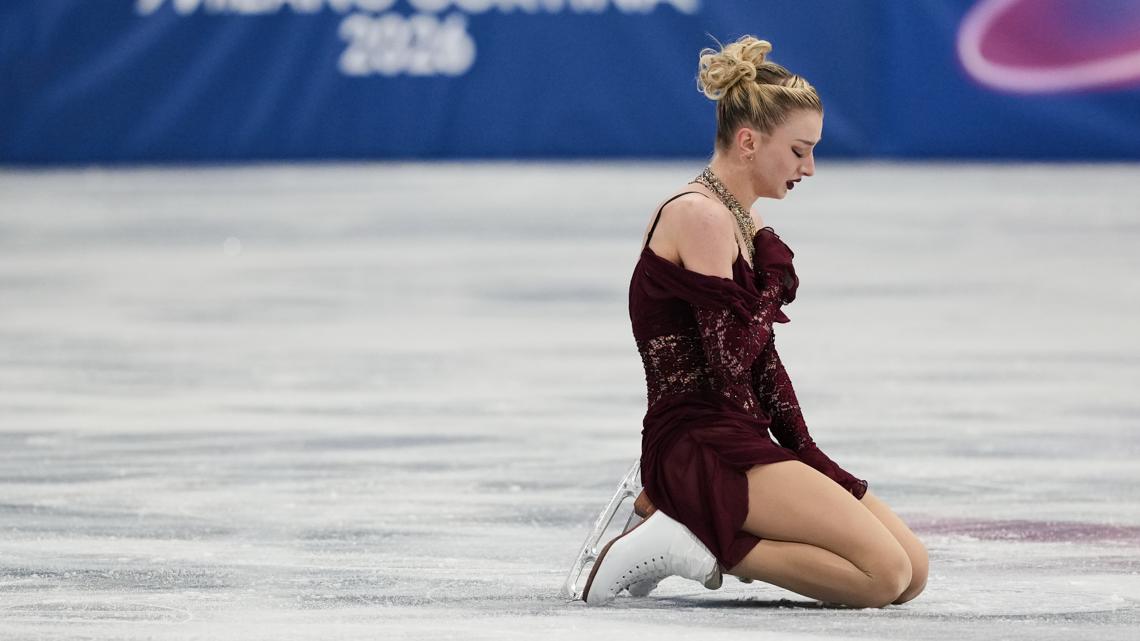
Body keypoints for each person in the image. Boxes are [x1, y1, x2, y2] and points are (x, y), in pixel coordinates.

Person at [582, 36, 928, 608]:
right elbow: (728, 363)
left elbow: (763, 359)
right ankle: (687, 541)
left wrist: (806, 450)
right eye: (798, 151)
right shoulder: (699, 216)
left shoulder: (741, 220)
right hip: (697, 443)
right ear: (748, 142)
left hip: (736, 435)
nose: (809, 168)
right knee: (881, 576)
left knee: (911, 572)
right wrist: (770, 279)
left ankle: (702, 533)